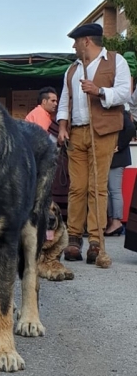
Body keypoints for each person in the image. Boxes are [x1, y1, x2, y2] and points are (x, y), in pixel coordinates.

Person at [56, 23, 131, 264]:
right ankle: (75, 239)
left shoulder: (115, 60)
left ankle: (96, 241)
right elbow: (64, 101)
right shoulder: (72, 69)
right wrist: (62, 126)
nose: (73, 46)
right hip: (76, 133)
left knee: (97, 187)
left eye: (76, 42)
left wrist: (99, 91)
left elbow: (124, 93)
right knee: (76, 187)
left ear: (86, 41)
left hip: (103, 132)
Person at [105, 108, 135, 236]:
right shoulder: (121, 112)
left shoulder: (120, 112)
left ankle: (116, 221)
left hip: (117, 158)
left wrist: (119, 145)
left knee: (114, 190)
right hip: (115, 158)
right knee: (111, 190)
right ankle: (113, 221)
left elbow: (130, 129)